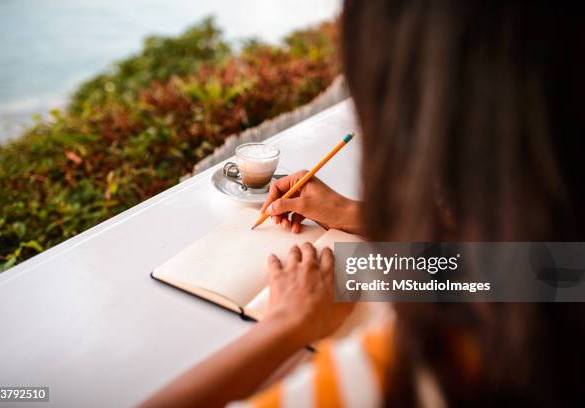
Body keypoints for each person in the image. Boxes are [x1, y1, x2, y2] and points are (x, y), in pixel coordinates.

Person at [142, 0, 585, 406]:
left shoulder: (409, 374)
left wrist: (285, 325)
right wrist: (351, 216)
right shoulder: (558, 275)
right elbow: (533, 272)